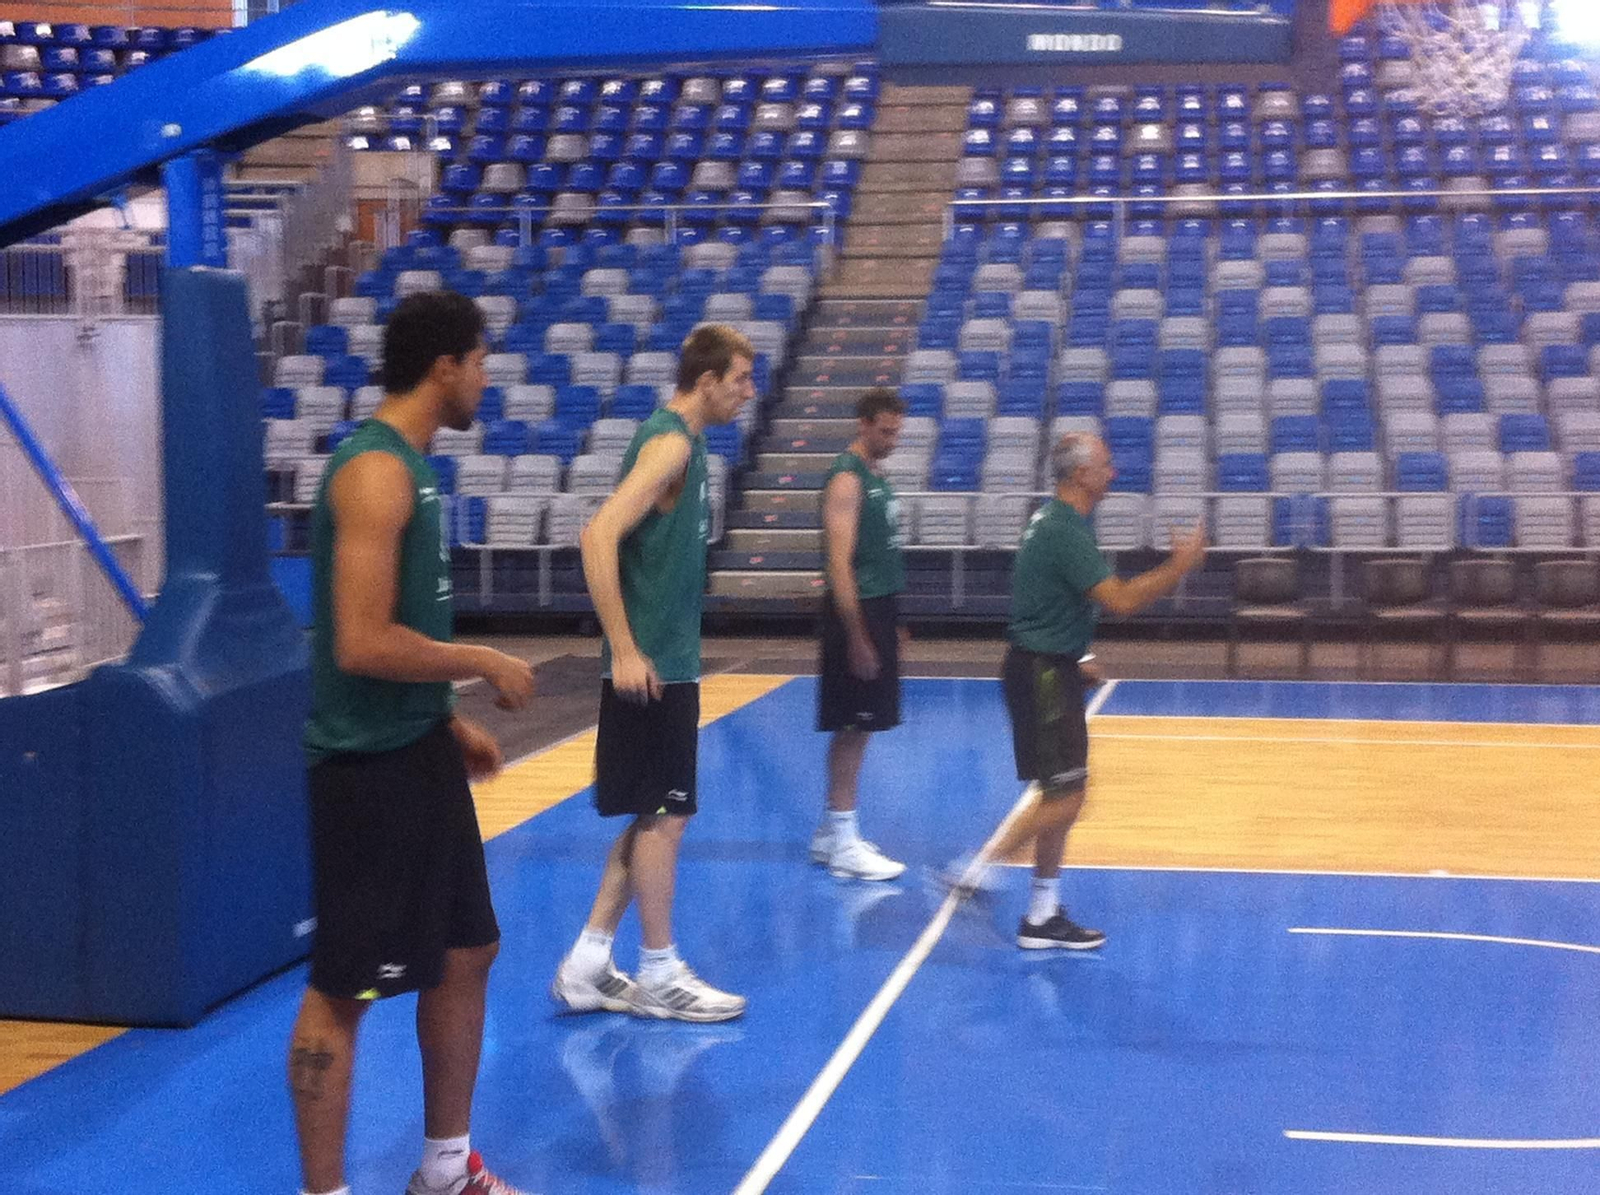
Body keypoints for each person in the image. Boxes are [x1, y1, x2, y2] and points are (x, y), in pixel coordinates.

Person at [288, 291, 536, 1195]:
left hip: (415, 750)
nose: (485, 378)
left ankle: (444, 1170)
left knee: (469, 949)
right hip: (365, 774)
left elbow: (389, 644)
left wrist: (442, 716)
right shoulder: (375, 471)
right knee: (344, 990)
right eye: (480, 361)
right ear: (445, 367)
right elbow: (359, 638)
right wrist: (477, 661)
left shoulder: (416, 469)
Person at [550, 323, 756, 1022]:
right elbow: (599, 533)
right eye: (739, 380)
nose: (747, 393)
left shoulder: (684, 443)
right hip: (654, 665)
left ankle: (587, 962)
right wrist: (626, 648)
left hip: (667, 659)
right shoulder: (670, 442)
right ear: (706, 382)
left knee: (654, 812)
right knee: (668, 816)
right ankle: (661, 970)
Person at [947, 432, 1206, 950]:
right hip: (1042, 673)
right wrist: (1178, 567)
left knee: (1059, 793)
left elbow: (1047, 598)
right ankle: (977, 870)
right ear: (1080, 474)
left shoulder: (1060, 523)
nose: (1113, 474)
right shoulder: (1064, 529)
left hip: (1050, 666)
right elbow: (1122, 601)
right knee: (1069, 799)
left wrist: (1079, 653)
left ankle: (1041, 916)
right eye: (1106, 466)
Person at [810, 387, 910, 881]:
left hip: (879, 609)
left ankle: (832, 832)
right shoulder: (847, 480)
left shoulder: (874, 476)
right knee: (854, 727)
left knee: (858, 726)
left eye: (897, 432)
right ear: (864, 424)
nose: (892, 440)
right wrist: (858, 635)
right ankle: (844, 839)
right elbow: (839, 564)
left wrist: (894, 623)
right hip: (858, 612)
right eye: (886, 431)